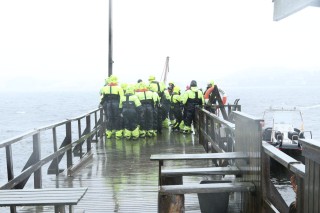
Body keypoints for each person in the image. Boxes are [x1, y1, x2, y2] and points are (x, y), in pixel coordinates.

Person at [100, 75, 124, 139]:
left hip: (108, 104)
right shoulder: (119, 88)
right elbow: (122, 98)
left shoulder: (105, 88)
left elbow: (102, 97)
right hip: (116, 104)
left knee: (109, 117)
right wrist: (121, 106)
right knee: (117, 117)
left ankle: (109, 132)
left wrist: (101, 104)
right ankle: (118, 133)